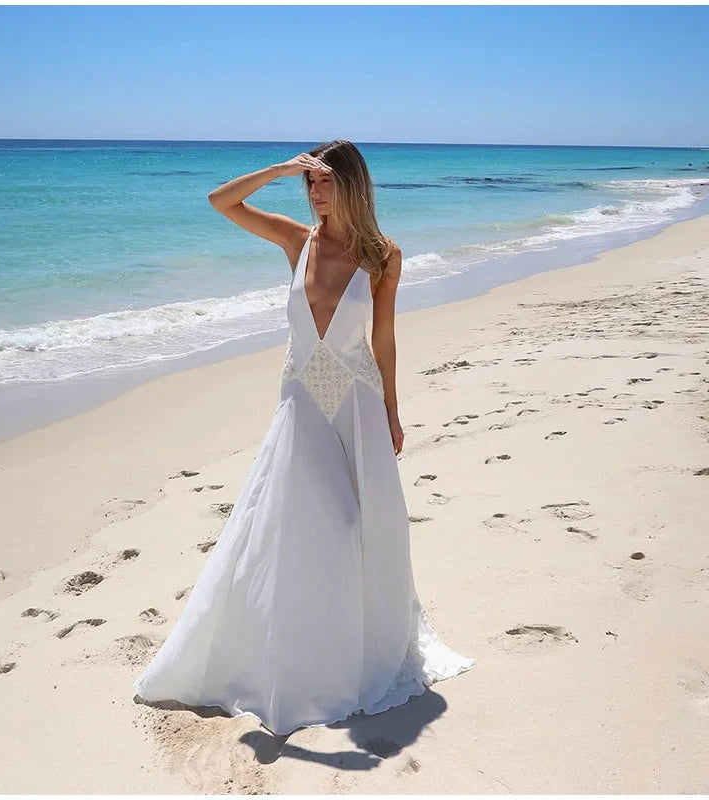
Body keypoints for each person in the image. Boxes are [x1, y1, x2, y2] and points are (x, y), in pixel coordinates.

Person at [132, 140, 475, 737]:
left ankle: (351, 642)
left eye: (324, 182)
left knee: (359, 526)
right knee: (304, 524)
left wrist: (393, 412)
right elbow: (222, 201)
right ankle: (293, 653)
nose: (314, 194)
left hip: (358, 405)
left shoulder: (383, 256)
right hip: (301, 406)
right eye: (309, 184)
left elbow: (385, 340)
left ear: (352, 185)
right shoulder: (297, 241)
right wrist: (282, 168)